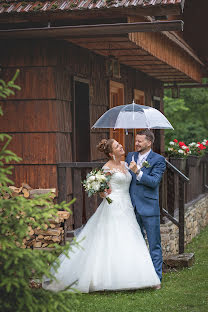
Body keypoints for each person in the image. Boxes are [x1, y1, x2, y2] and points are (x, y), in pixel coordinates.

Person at [42, 138, 160, 293]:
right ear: (111, 153)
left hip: (127, 205)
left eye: (119, 144)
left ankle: (135, 276)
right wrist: (103, 191)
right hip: (113, 205)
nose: (121, 146)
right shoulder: (106, 168)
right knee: (112, 240)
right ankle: (105, 278)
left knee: (130, 238)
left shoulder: (126, 164)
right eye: (117, 146)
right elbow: (101, 190)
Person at [126, 129, 166, 288]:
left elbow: (154, 181)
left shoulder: (158, 159)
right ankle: (140, 277)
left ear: (149, 142)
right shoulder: (130, 156)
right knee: (137, 244)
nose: (136, 143)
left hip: (149, 207)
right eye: (136, 141)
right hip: (131, 206)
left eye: (140, 141)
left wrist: (138, 172)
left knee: (154, 244)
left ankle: (156, 279)